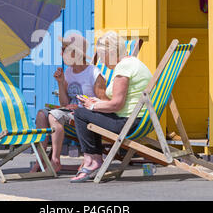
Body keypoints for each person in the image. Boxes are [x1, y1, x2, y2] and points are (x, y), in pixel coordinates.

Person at [70, 31, 153, 183]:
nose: (102, 60)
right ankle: (94, 159)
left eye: (103, 55)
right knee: (89, 112)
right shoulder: (134, 63)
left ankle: (92, 160)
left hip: (127, 123)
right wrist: (96, 103)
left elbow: (116, 104)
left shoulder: (124, 67)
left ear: (112, 52)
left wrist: (93, 106)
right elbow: (121, 102)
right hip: (139, 121)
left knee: (81, 113)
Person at [30, 33, 107, 173]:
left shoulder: (93, 73)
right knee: (42, 114)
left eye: (64, 50)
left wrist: (82, 107)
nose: (61, 53)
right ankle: (40, 159)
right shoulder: (69, 72)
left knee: (54, 116)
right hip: (68, 112)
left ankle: (55, 160)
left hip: (85, 115)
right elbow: (65, 103)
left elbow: (104, 102)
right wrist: (61, 83)